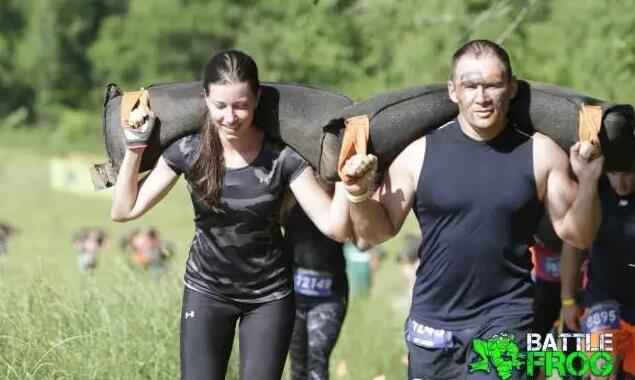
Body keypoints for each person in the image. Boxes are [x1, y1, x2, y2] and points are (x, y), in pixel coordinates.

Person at [340, 39, 603, 379]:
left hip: (507, 320)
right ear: (453, 91)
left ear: (511, 88)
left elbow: (579, 236)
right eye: (470, 85)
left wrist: (589, 181)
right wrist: (358, 194)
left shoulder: (541, 153)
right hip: (433, 325)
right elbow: (376, 232)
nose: (481, 97)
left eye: (492, 85)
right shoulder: (417, 154)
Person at [111, 49, 351, 380]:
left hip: (269, 297)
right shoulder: (188, 151)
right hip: (206, 289)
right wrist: (135, 148)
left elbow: (335, 228)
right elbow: (124, 210)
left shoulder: (283, 159)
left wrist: (347, 181)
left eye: (240, 105)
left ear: (257, 99)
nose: (230, 116)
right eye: (220, 105)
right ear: (204, 99)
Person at [561, 170, 635, 380]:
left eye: (629, 174)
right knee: (601, 373)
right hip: (602, 305)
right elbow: (573, 245)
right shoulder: (595, 194)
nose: (620, 182)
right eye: (614, 173)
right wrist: (567, 300)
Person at [282, 181, 349, 380]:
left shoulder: (340, 194)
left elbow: (363, 242)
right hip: (293, 292)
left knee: (317, 363)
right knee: (297, 366)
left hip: (330, 294)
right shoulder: (293, 189)